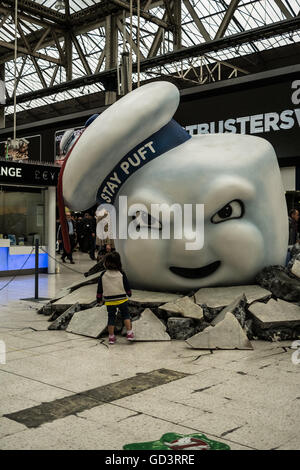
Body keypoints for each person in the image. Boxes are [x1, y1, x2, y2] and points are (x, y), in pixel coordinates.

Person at [96, 252, 134, 344]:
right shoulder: (121, 273)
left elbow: (99, 288)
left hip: (109, 300)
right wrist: (129, 293)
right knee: (126, 315)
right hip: (122, 299)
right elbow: (126, 285)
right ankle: (129, 333)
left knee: (111, 317)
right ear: (118, 262)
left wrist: (99, 298)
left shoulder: (103, 274)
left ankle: (111, 337)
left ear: (105, 263)